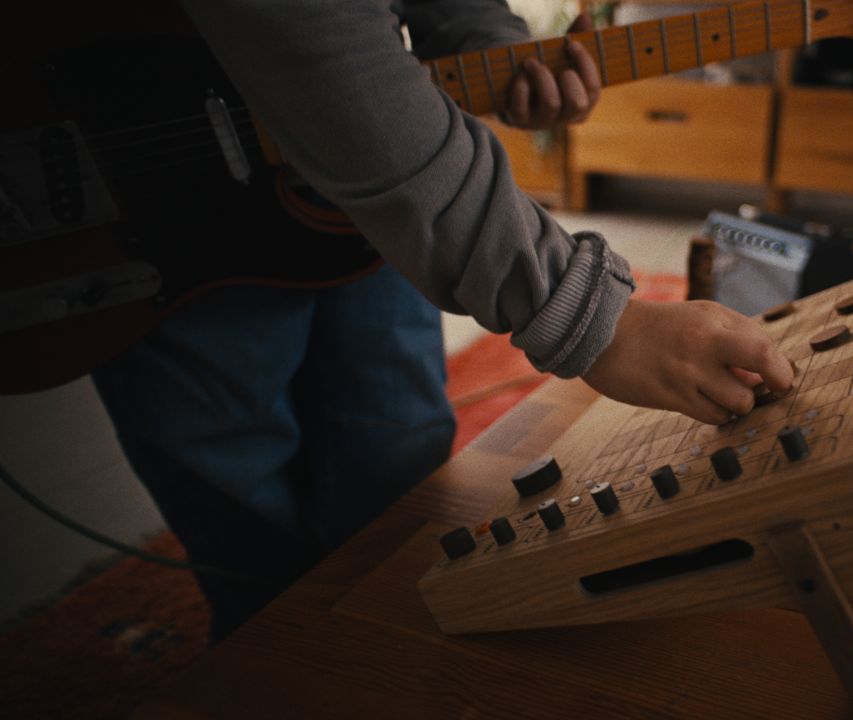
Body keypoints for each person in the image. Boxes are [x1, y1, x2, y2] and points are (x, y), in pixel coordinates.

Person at [92, 0, 794, 642]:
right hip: (157, 217)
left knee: (400, 481)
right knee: (250, 540)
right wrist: (598, 319)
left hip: (352, 218)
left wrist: (484, 39)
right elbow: (312, 37)